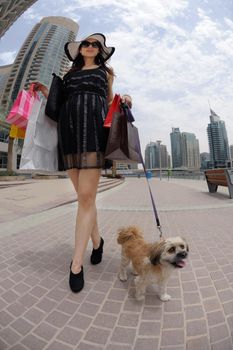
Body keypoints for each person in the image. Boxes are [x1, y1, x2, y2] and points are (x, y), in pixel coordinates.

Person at [33, 33, 132, 293]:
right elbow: (60, 102)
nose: (89, 47)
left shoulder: (105, 73)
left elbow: (111, 101)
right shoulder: (69, 75)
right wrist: (45, 90)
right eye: (86, 44)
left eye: (94, 45)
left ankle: (76, 263)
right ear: (79, 50)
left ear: (100, 50)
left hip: (93, 131)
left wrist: (127, 99)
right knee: (84, 198)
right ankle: (97, 241)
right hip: (69, 131)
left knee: (86, 197)